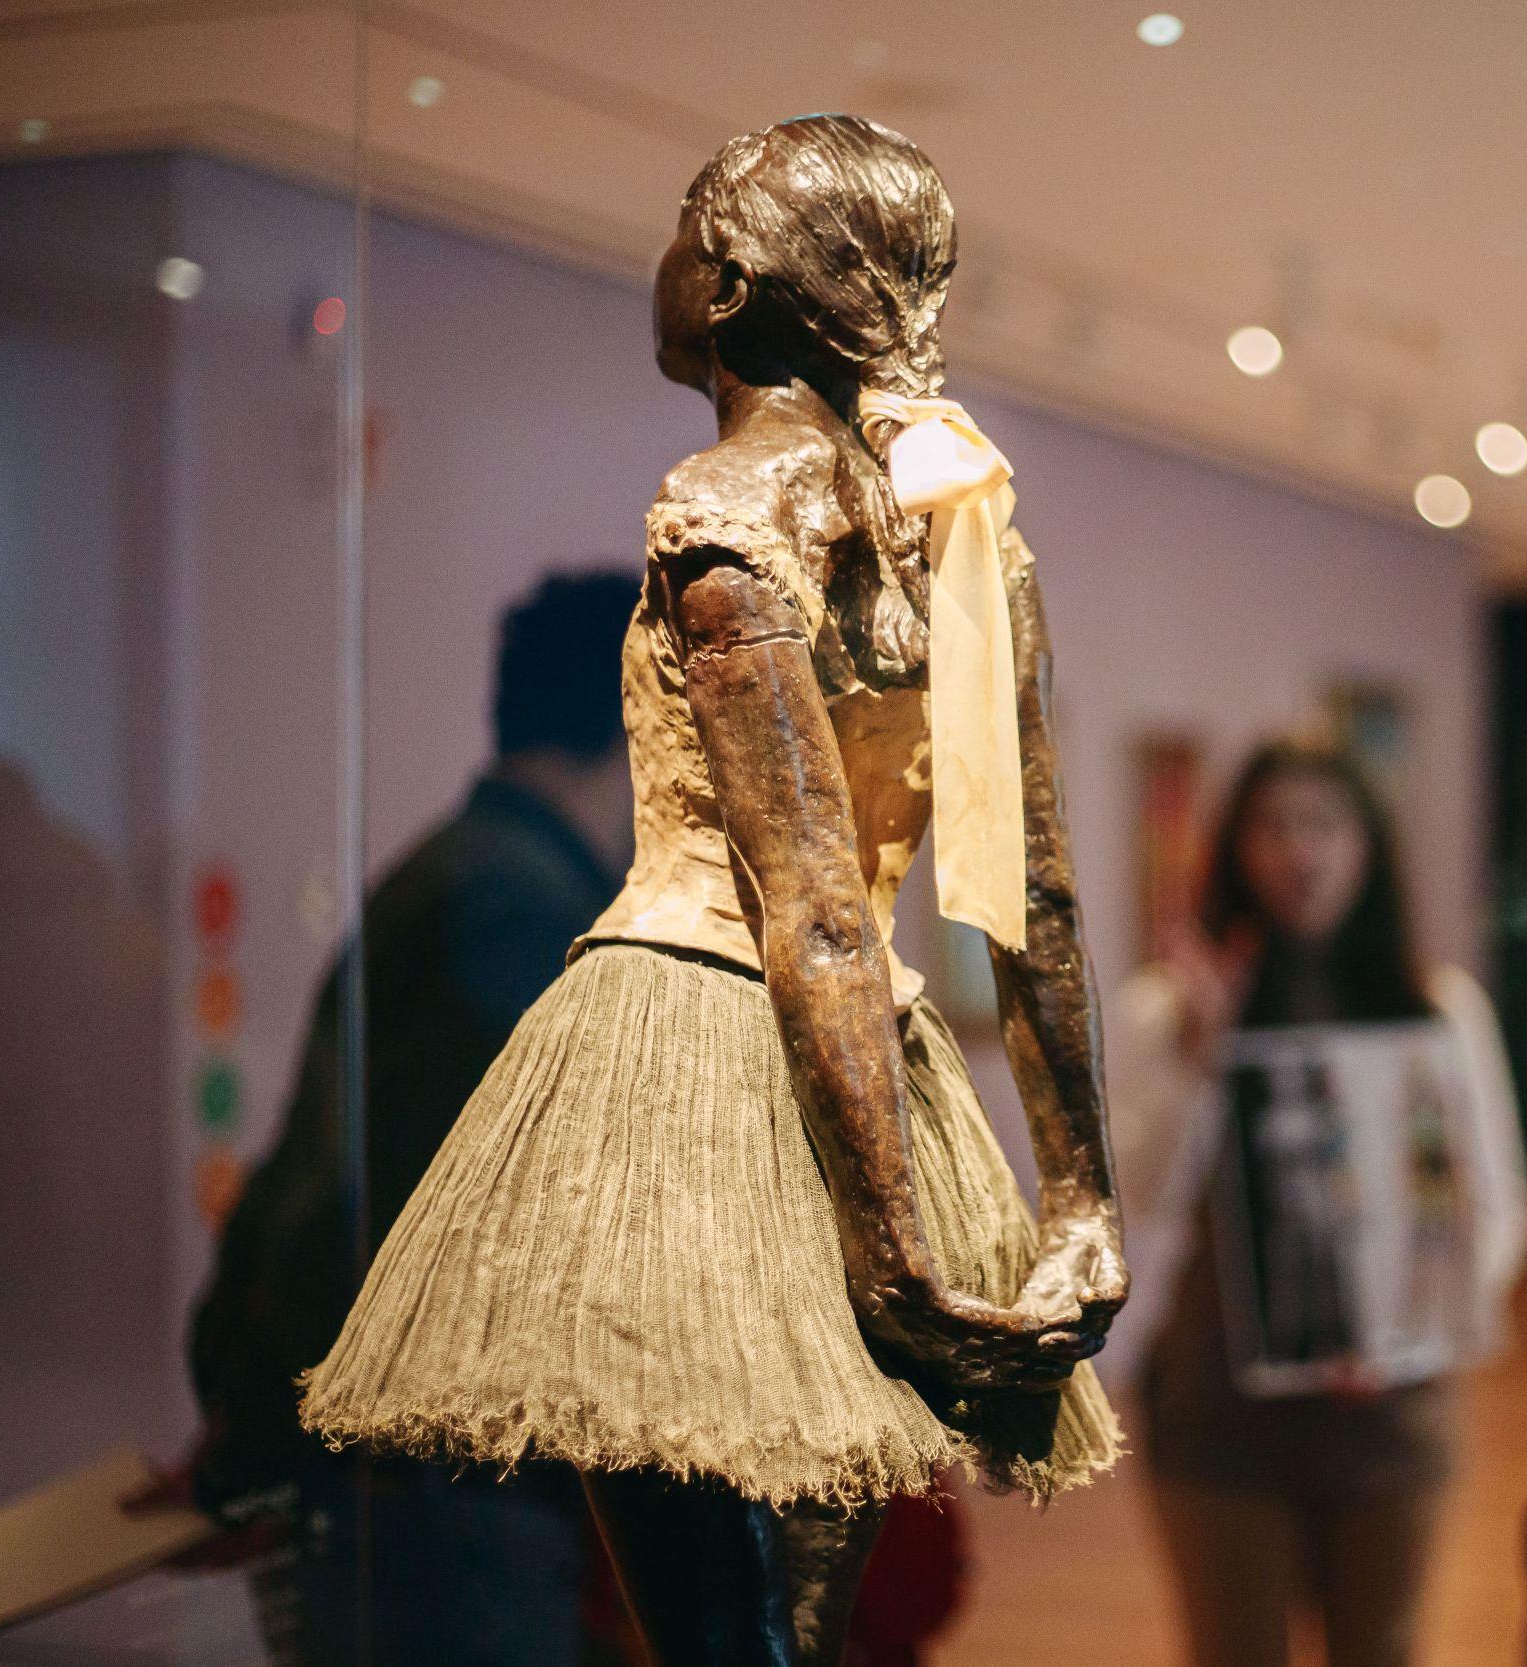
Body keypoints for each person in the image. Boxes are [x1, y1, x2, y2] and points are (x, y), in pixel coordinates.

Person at [296, 116, 1124, 1667]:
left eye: (688, 223)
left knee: (721, 1640)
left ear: (730, 281)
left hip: (684, 1073)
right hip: (875, 1076)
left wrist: (894, 1255)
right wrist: (1080, 1200)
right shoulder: (968, 527)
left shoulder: (724, 504)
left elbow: (808, 901)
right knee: (792, 1635)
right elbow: (1037, 895)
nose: (666, 255)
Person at [182, 570, 635, 1667]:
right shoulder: (521, 911)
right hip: (456, 1521)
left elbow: (305, 1195)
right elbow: (487, 1246)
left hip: (413, 1506)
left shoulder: (457, 878)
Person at [1110, 737, 1527, 1667]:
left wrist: (1405, 1337)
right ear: (1236, 847)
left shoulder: (1441, 1007)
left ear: (1368, 845)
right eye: (1274, 824)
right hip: (1220, 1409)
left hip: (1393, 1410)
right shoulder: (1167, 1006)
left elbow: (1495, 1204)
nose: (1300, 849)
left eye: (1325, 823)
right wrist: (1201, 1051)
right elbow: (1145, 1195)